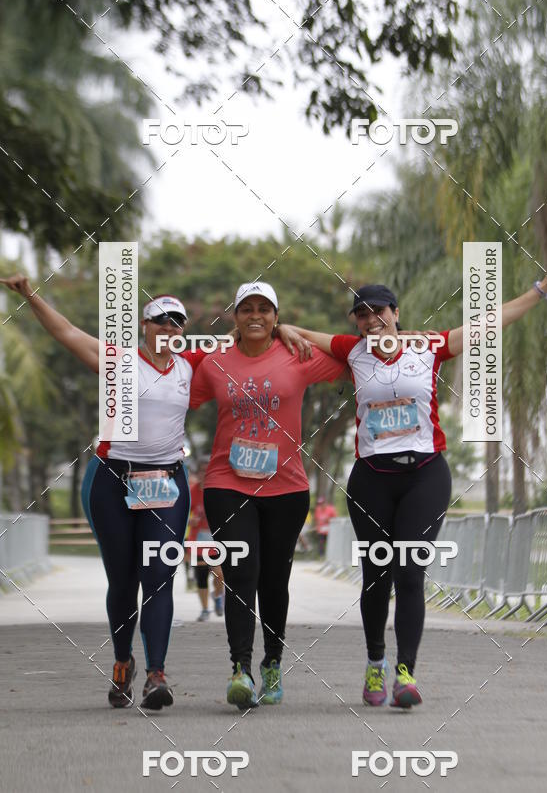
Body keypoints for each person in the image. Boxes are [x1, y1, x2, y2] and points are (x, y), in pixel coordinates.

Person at [280, 252, 547, 708]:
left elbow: (488, 325)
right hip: (371, 479)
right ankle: (375, 664)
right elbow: (297, 334)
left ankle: (405, 674)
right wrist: (280, 327)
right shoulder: (351, 350)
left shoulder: (428, 345)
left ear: (396, 314)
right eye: (362, 315)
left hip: (425, 474)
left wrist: (539, 291)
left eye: (379, 312)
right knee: (377, 577)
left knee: (410, 573)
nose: (371, 320)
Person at [0, 276, 205, 711]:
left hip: (165, 482)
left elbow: (248, 347)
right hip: (112, 480)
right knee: (123, 579)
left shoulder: (192, 365)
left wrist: (287, 330)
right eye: (160, 321)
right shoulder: (119, 360)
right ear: (143, 326)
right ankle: (121, 662)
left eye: (177, 323)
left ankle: (156, 675)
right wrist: (30, 295)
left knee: (159, 577)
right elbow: (66, 332)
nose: (169, 329)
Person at [189, 281, 347, 709]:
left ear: (276, 317)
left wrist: (298, 331)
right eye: (246, 309)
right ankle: (239, 668)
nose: (255, 315)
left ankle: (272, 662)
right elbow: (174, 395)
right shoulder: (214, 362)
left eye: (264, 309)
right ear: (234, 316)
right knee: (242, 572)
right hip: (226, 482)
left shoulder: (297, 355)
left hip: (286, 488)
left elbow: (353, 359)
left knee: (275, 580)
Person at [187, 459, 224, 620]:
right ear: (198, 473)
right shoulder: (191, 491)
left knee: (219, 574)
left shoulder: (218, 491)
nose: (205, 474)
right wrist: (189, 521)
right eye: (202, 471)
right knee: (201, 575)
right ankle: (204, 610)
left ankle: (217, 596)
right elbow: (181, 514)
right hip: (198, 539)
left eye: (207, 471)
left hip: (215, 539)